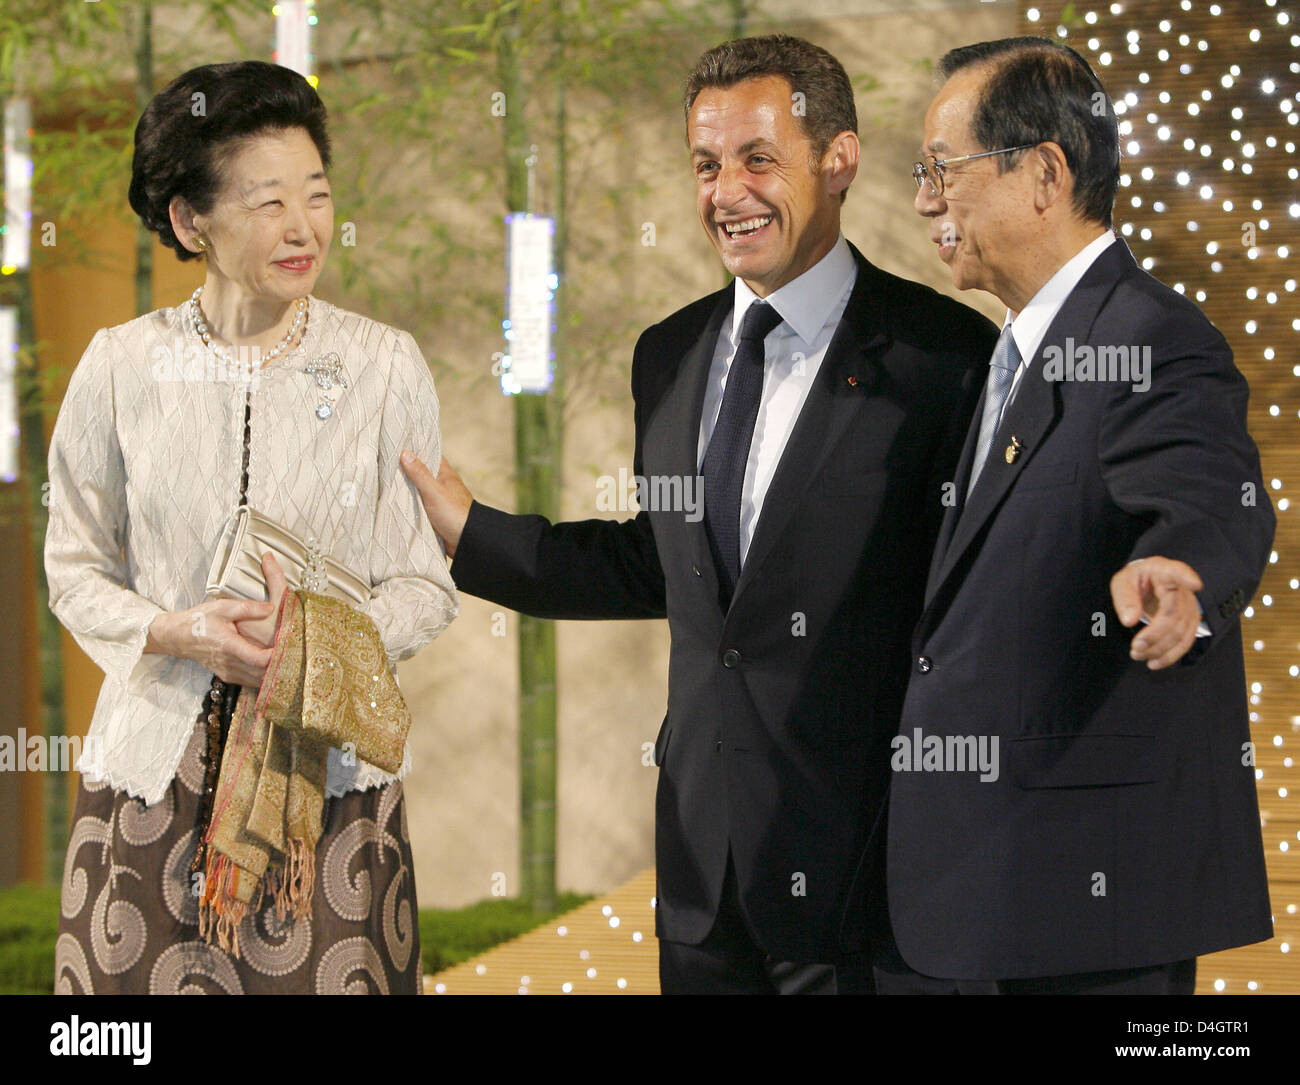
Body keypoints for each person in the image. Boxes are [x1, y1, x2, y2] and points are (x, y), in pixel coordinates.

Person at [400, 34, 998, 994]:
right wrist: (475, 532)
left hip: (872, 892)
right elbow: (663, 565)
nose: (728, 191)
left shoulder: (946, 357)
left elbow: (979, 610)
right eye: (707, 164)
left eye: (760, 159)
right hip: (703, 883)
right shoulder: (669, 355)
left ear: (837, 159)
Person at [46, 60, 457, 994]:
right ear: (190, 221)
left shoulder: (385, 368)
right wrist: (174, 629)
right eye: (267, 201)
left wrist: (305, 644)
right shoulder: (120, 364)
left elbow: (425, 585)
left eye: (315, 195)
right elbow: (72, 566)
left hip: (324, 788)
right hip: (151, 770)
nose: (304, 226)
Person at [876, 36, 1275, 994]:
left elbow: (1209, 487)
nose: (926, 198)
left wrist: (1180, 573)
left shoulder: (1150, 335)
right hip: (971, 896)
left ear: (1045, 172)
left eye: (943, 169)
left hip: (1080, 909)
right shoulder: (997, 359)